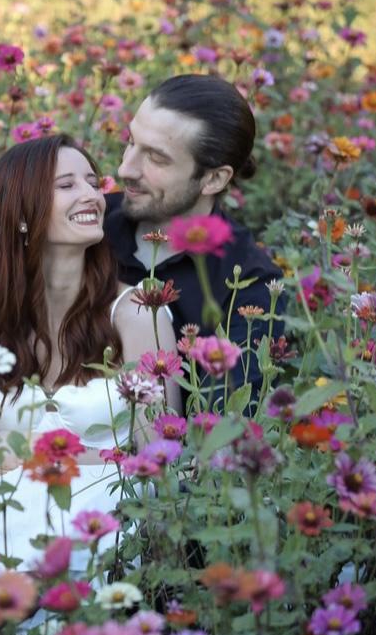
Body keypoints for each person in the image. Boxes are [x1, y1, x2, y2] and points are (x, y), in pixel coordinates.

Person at [0, 134, 178, 573]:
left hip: (98, 541)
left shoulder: (137, 315)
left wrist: (36, 455)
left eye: (93, 182)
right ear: (23, 212)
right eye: (66, 185)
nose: (92, 196)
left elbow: (164, 466)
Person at [104, 73, 287, 414]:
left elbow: (220, 423)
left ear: (214, 178)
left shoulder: (248, 285)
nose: (125, 168)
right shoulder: (89, 226)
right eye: (131, 141)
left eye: (156, 158)